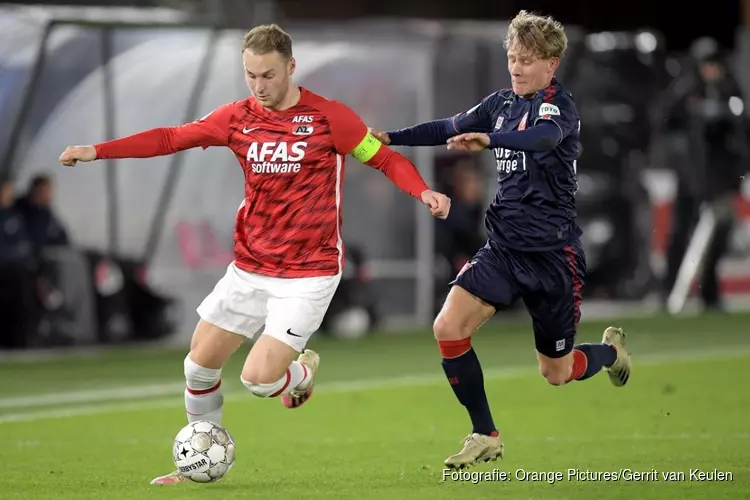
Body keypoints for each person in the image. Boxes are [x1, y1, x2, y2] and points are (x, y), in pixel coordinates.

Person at [59, 24, 451, 484]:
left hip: (309, 274)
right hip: (249, 269)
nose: (258, 86)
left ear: (290, 67)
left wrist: (423, 191)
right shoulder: (236, 117)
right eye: (250, 76)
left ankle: (298, 374)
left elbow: (383, 158)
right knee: (197, 366)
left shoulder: (330, 119)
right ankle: (198, 462)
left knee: (260, 381)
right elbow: (170, 138)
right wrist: (96, 151)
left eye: (267, 75)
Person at [370, 11, 631, 469]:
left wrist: (490, 141)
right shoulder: (500, 103)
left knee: (557, 372)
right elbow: (447, 127)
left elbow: (545, 140)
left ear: (551, 64)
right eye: (512, 58)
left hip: (554, 257)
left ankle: (610, 352)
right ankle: (484, 433)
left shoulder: (558, 106)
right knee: (447, 327)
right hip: (505, 249)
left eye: (527, 60)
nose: (516, 68)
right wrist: (391, 137)